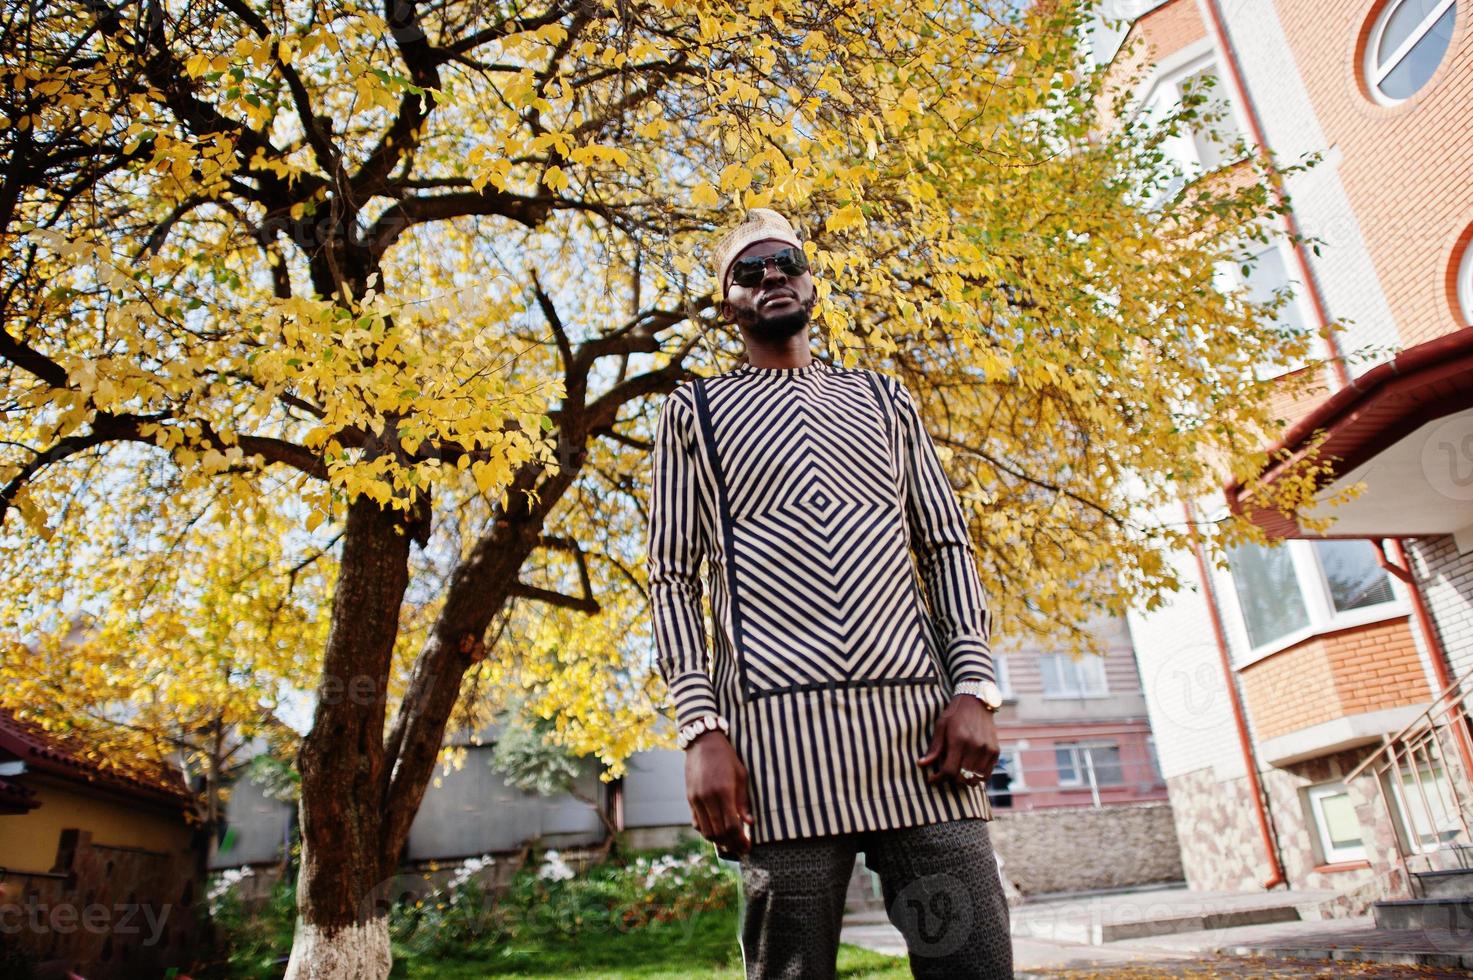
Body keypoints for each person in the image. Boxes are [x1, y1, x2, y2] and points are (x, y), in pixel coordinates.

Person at [646, 208, 1013, 979]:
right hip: (774, 755)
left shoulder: (885, 400)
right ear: (727, 306)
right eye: (748, 271)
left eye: (785, 261)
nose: (771, 276)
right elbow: (672, 578)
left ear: (810, 280)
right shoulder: (693, 413)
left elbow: (944, 544)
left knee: (974, 966)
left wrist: (974, 685)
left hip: (921, 742)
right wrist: (699, 730)